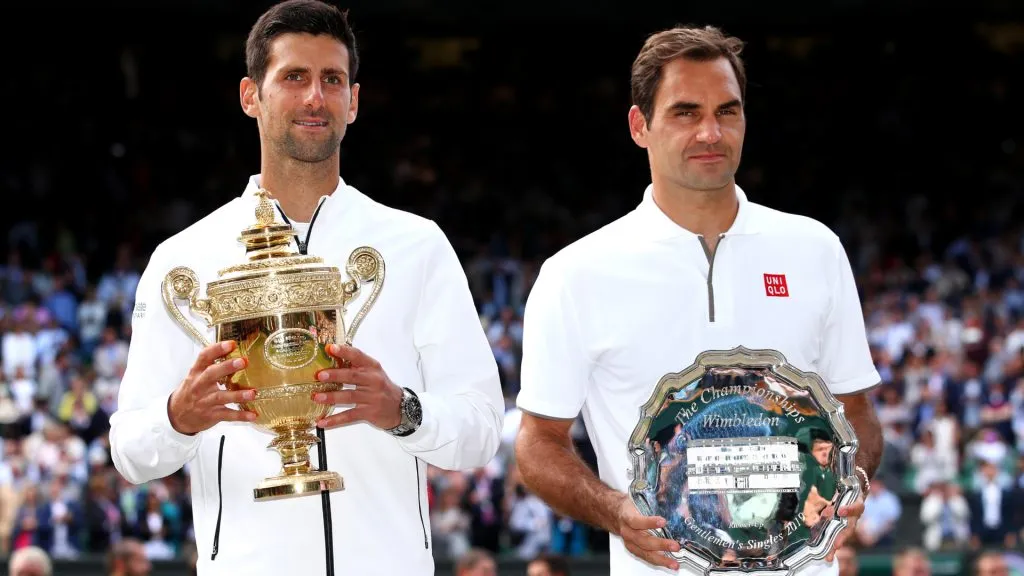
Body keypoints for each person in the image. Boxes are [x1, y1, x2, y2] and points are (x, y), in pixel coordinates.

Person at [108, 1, 504, 575]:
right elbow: (129, 451)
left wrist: (402, 410)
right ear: (251, 96)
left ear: (354, 100)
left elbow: (482, 430)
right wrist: (179, 416)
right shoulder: (184, 258)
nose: (316, 97)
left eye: (332, 80)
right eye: (294, 77)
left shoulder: (417, 245)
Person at [514, 25, 883, 576]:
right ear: (640, 125)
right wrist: (617, 511)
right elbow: (538, 444)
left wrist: (851, 483)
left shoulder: (816, 249)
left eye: (727, 111)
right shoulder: (576, 273)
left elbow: (856, 413)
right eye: (685, 112)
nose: (711, 132)